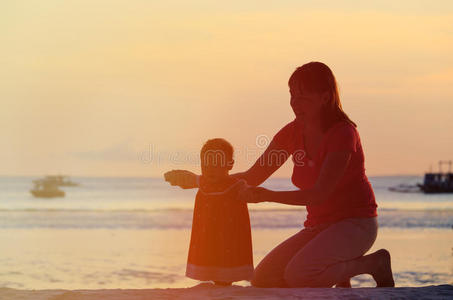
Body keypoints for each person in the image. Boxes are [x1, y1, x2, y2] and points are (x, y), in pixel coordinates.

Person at [164, 61, 394, 288]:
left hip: (356, 224)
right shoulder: (292, 132)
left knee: (300, 275)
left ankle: (373, 263)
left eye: (303, 97)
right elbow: (253, 176)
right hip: (318, 226)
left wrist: (267, 196)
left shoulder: (343, 134)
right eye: (292, 96)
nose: (295, 103)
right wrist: (198, 180)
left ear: (325, 97)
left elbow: (319, 195)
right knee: (262, 280)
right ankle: (339, 273)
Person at [167, 138, 254, 286]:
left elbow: (249, 193)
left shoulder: (236, 185)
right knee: (210, 257)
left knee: (226, 261)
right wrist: (175, 177)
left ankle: (224, 283)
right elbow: (189, 179)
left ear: (230, 164)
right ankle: (219, 283)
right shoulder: (203, 183)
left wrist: (253, 194)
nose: (210, 168)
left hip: (228, 234)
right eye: (206, 163)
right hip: (208, 232)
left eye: (217, 162)